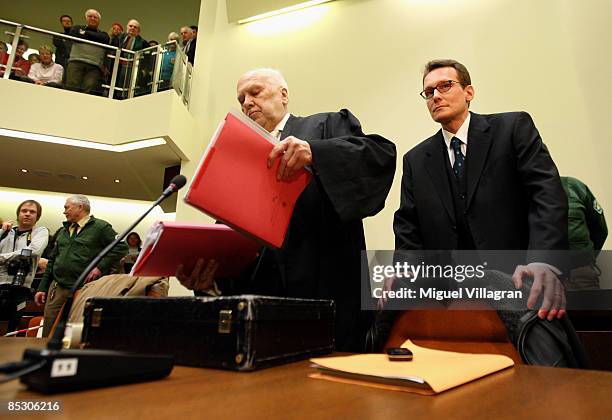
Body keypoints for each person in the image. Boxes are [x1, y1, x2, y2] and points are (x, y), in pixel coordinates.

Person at [178, 68, 396, 351]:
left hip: (330, 303)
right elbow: (235, 247)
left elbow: (379, 157)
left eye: (255, 92)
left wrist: (316, 153)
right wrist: (209, 283)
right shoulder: (237, 163)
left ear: (283, 95)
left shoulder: (325, 126)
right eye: (241, 98)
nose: (246, 103)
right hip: (264, 319)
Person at [393, 59, 568, 320]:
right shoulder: (415, 160)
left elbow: (546, 195)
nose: (436, 96)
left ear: (469, 92)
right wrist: (403, 273)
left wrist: (542, 261)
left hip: (518, 285)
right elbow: (408, 227)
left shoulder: (512, 129)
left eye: (445, 86)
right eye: (429, 92)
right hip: (450, 299)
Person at [35, 195, 127, 336]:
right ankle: (46, 355)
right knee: (49, 325)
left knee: (78, 329)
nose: (64, 211)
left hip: (84, 288)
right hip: (58, 286)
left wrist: (100, 267)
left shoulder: (100, 227)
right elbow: (52, 260)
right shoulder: (63, 230)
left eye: (67, 207)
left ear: (80, 207)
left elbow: (121, 247)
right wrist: (42, 287)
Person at [561, 176, 607, 290]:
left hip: (580, 276)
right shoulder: (520, 191)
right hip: (538, 280)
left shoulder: (574, 187)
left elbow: (599, 230)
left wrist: (584, 259)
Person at [0, 200, 49, 288]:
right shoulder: (6, 232)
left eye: (32, 212)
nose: (27, 214)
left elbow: (32, 251)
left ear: (37, 216)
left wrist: (3, 258)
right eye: (24, 211)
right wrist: (2, 231)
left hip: (21, 286)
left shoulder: (40, 232)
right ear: (18, 214)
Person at [65, 9, 110, 94]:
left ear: (99, 21)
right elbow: (73, 34)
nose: (92, 18)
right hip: (76, 62)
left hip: (94, 66)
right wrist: (95, 38)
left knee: (90, 88)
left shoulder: (103, 34)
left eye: (95, 17)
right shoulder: (76, 28)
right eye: (90, 16)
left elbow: (104, 39)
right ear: (86, 18)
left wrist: (84, 33)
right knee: (71, 87)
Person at [110, 19, 149, 97]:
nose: (132, 28)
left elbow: (147, 58)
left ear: (138, 30)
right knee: (114, 86)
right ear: (127, 27)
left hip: (131, 68)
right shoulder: (119, 37)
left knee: (127, 89)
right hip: (117, 66)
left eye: (135, 27)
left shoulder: (143, 42)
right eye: (130, 26)